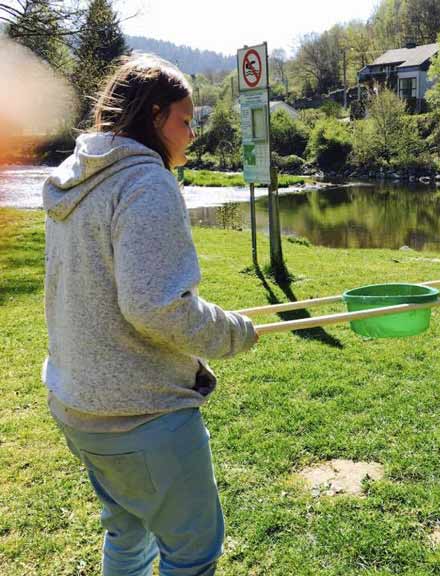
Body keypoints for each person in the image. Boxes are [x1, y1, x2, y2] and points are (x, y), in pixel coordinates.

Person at [43, 54, 257, 576]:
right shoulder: (145, 182)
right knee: (191, 553)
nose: (191, 134)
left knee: (128, 534)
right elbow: (156, 307)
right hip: (139, 414)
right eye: (185, 121)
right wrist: (232, 334)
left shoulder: (77, 181)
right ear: (155, 116)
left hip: (79, 406)